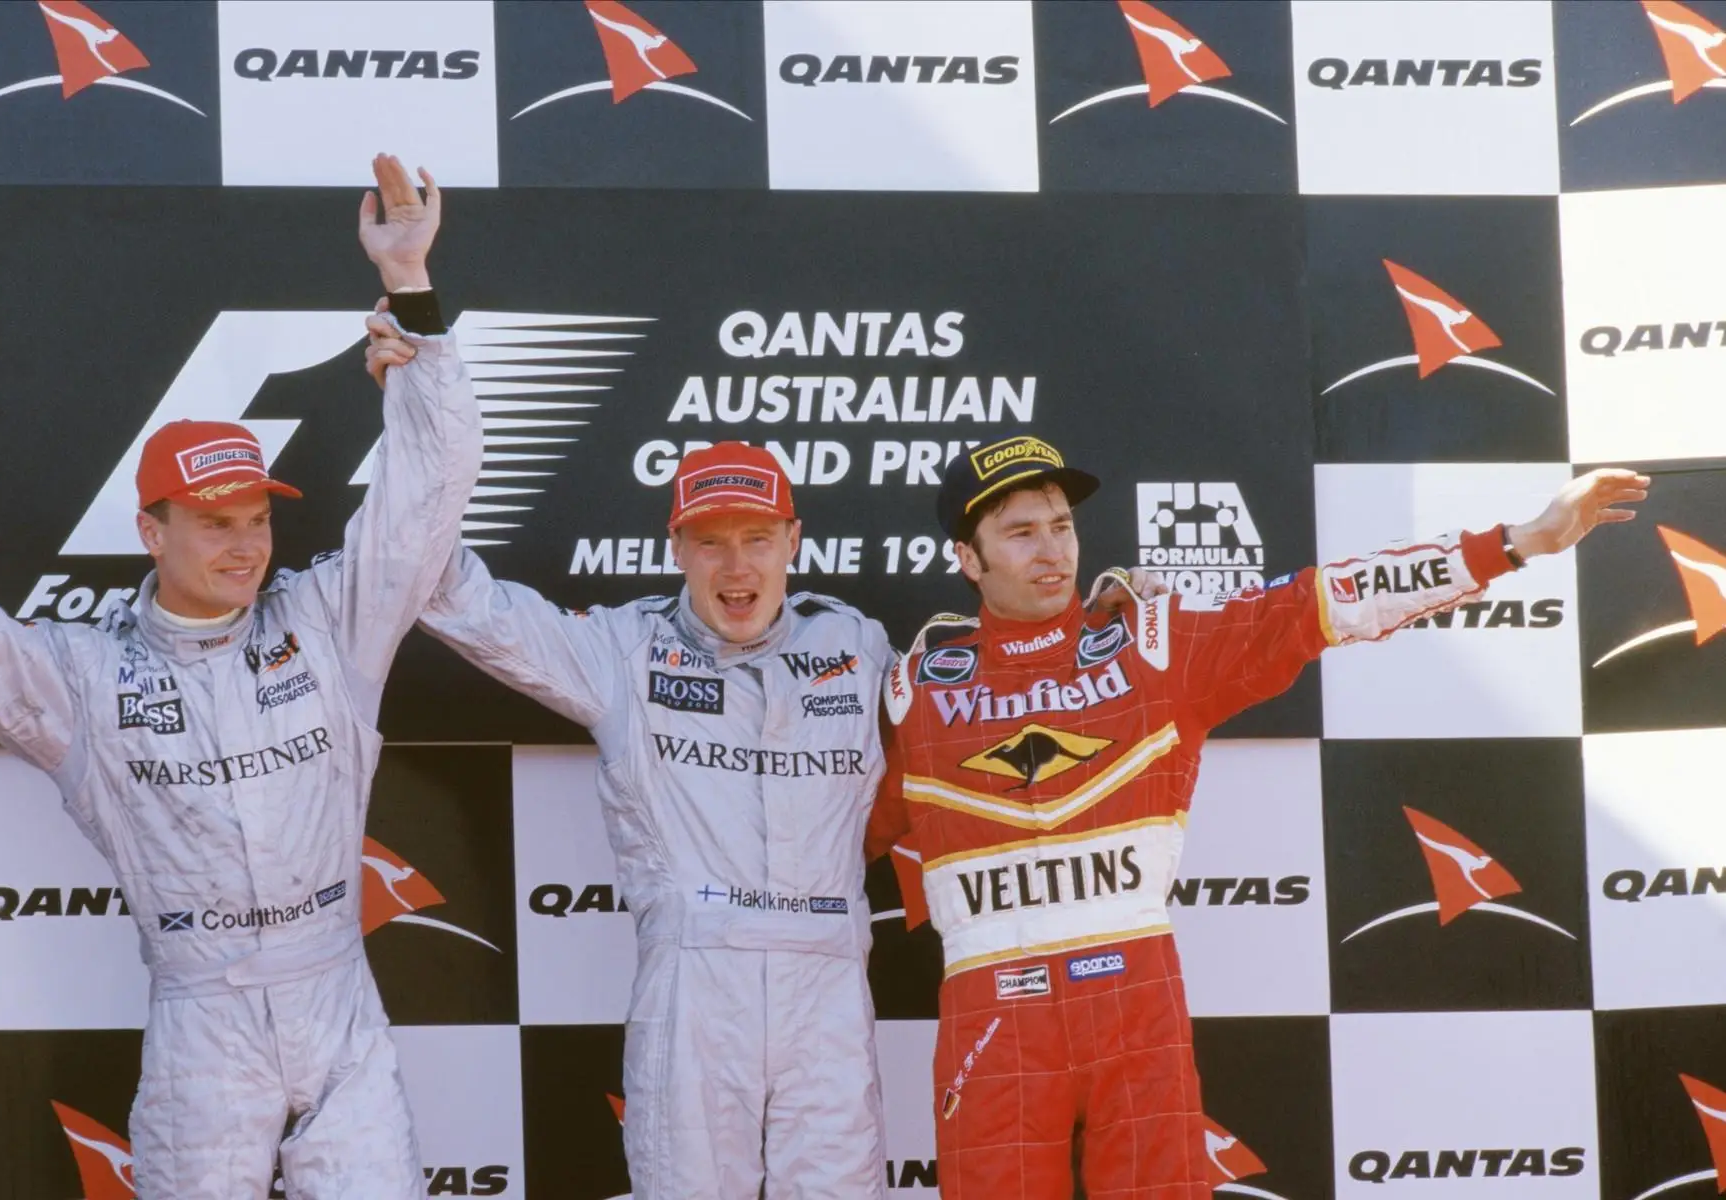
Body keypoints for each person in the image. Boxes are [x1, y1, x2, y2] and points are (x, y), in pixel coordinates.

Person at [0, 154, 477, 1199]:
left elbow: (428, 492)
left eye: (256, 519)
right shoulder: (85, 675)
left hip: (340, 1007)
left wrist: (414, 291)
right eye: (212, 525)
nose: (245, 547)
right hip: (204, 1024)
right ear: (150, 530)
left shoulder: (331, 621)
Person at [866, 434, 1650, 1199]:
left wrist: (1517, 542)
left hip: (1133, 1001)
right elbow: (817, 831)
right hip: (993, 1014)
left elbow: (1322, 603)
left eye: (1062, 526)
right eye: (1020, 533)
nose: (1052, 551)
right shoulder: (917, 694)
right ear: (969, 560)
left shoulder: (1155, 647)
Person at [398, 425, 890, 1198]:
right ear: (676, 548)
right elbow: (462, 600)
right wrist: (424, 422)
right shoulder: (626, 651)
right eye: (710, 541)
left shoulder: (859, 646)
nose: (736, 566)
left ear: (793, 541)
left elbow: (990, 690)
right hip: (695, 983)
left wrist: (1125, 620)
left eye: (758, 538)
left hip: (827, 986)